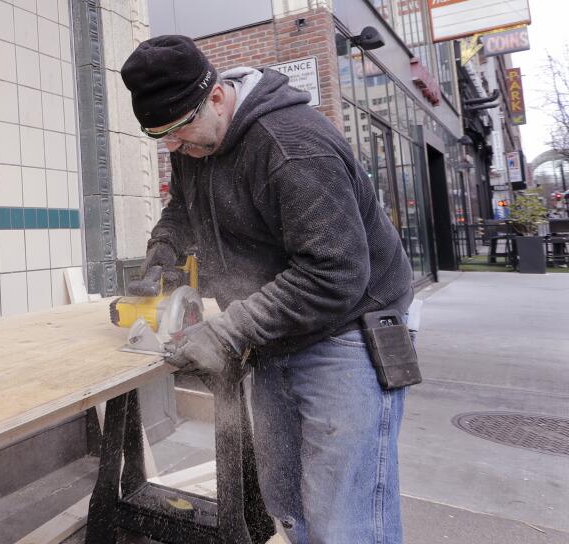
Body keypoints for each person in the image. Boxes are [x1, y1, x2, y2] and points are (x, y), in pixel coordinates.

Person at [120, 34, 416, 544]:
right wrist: (161, 255)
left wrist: (229, 330)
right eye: (160, 136)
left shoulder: (292, 147)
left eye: (179, 132)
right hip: (275, 331)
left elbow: (335, 273)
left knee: (343, 517)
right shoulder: (195, 137)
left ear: (215, 96)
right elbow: (183, 211)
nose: (175, 147)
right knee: (287, 500)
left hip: (349, 335)